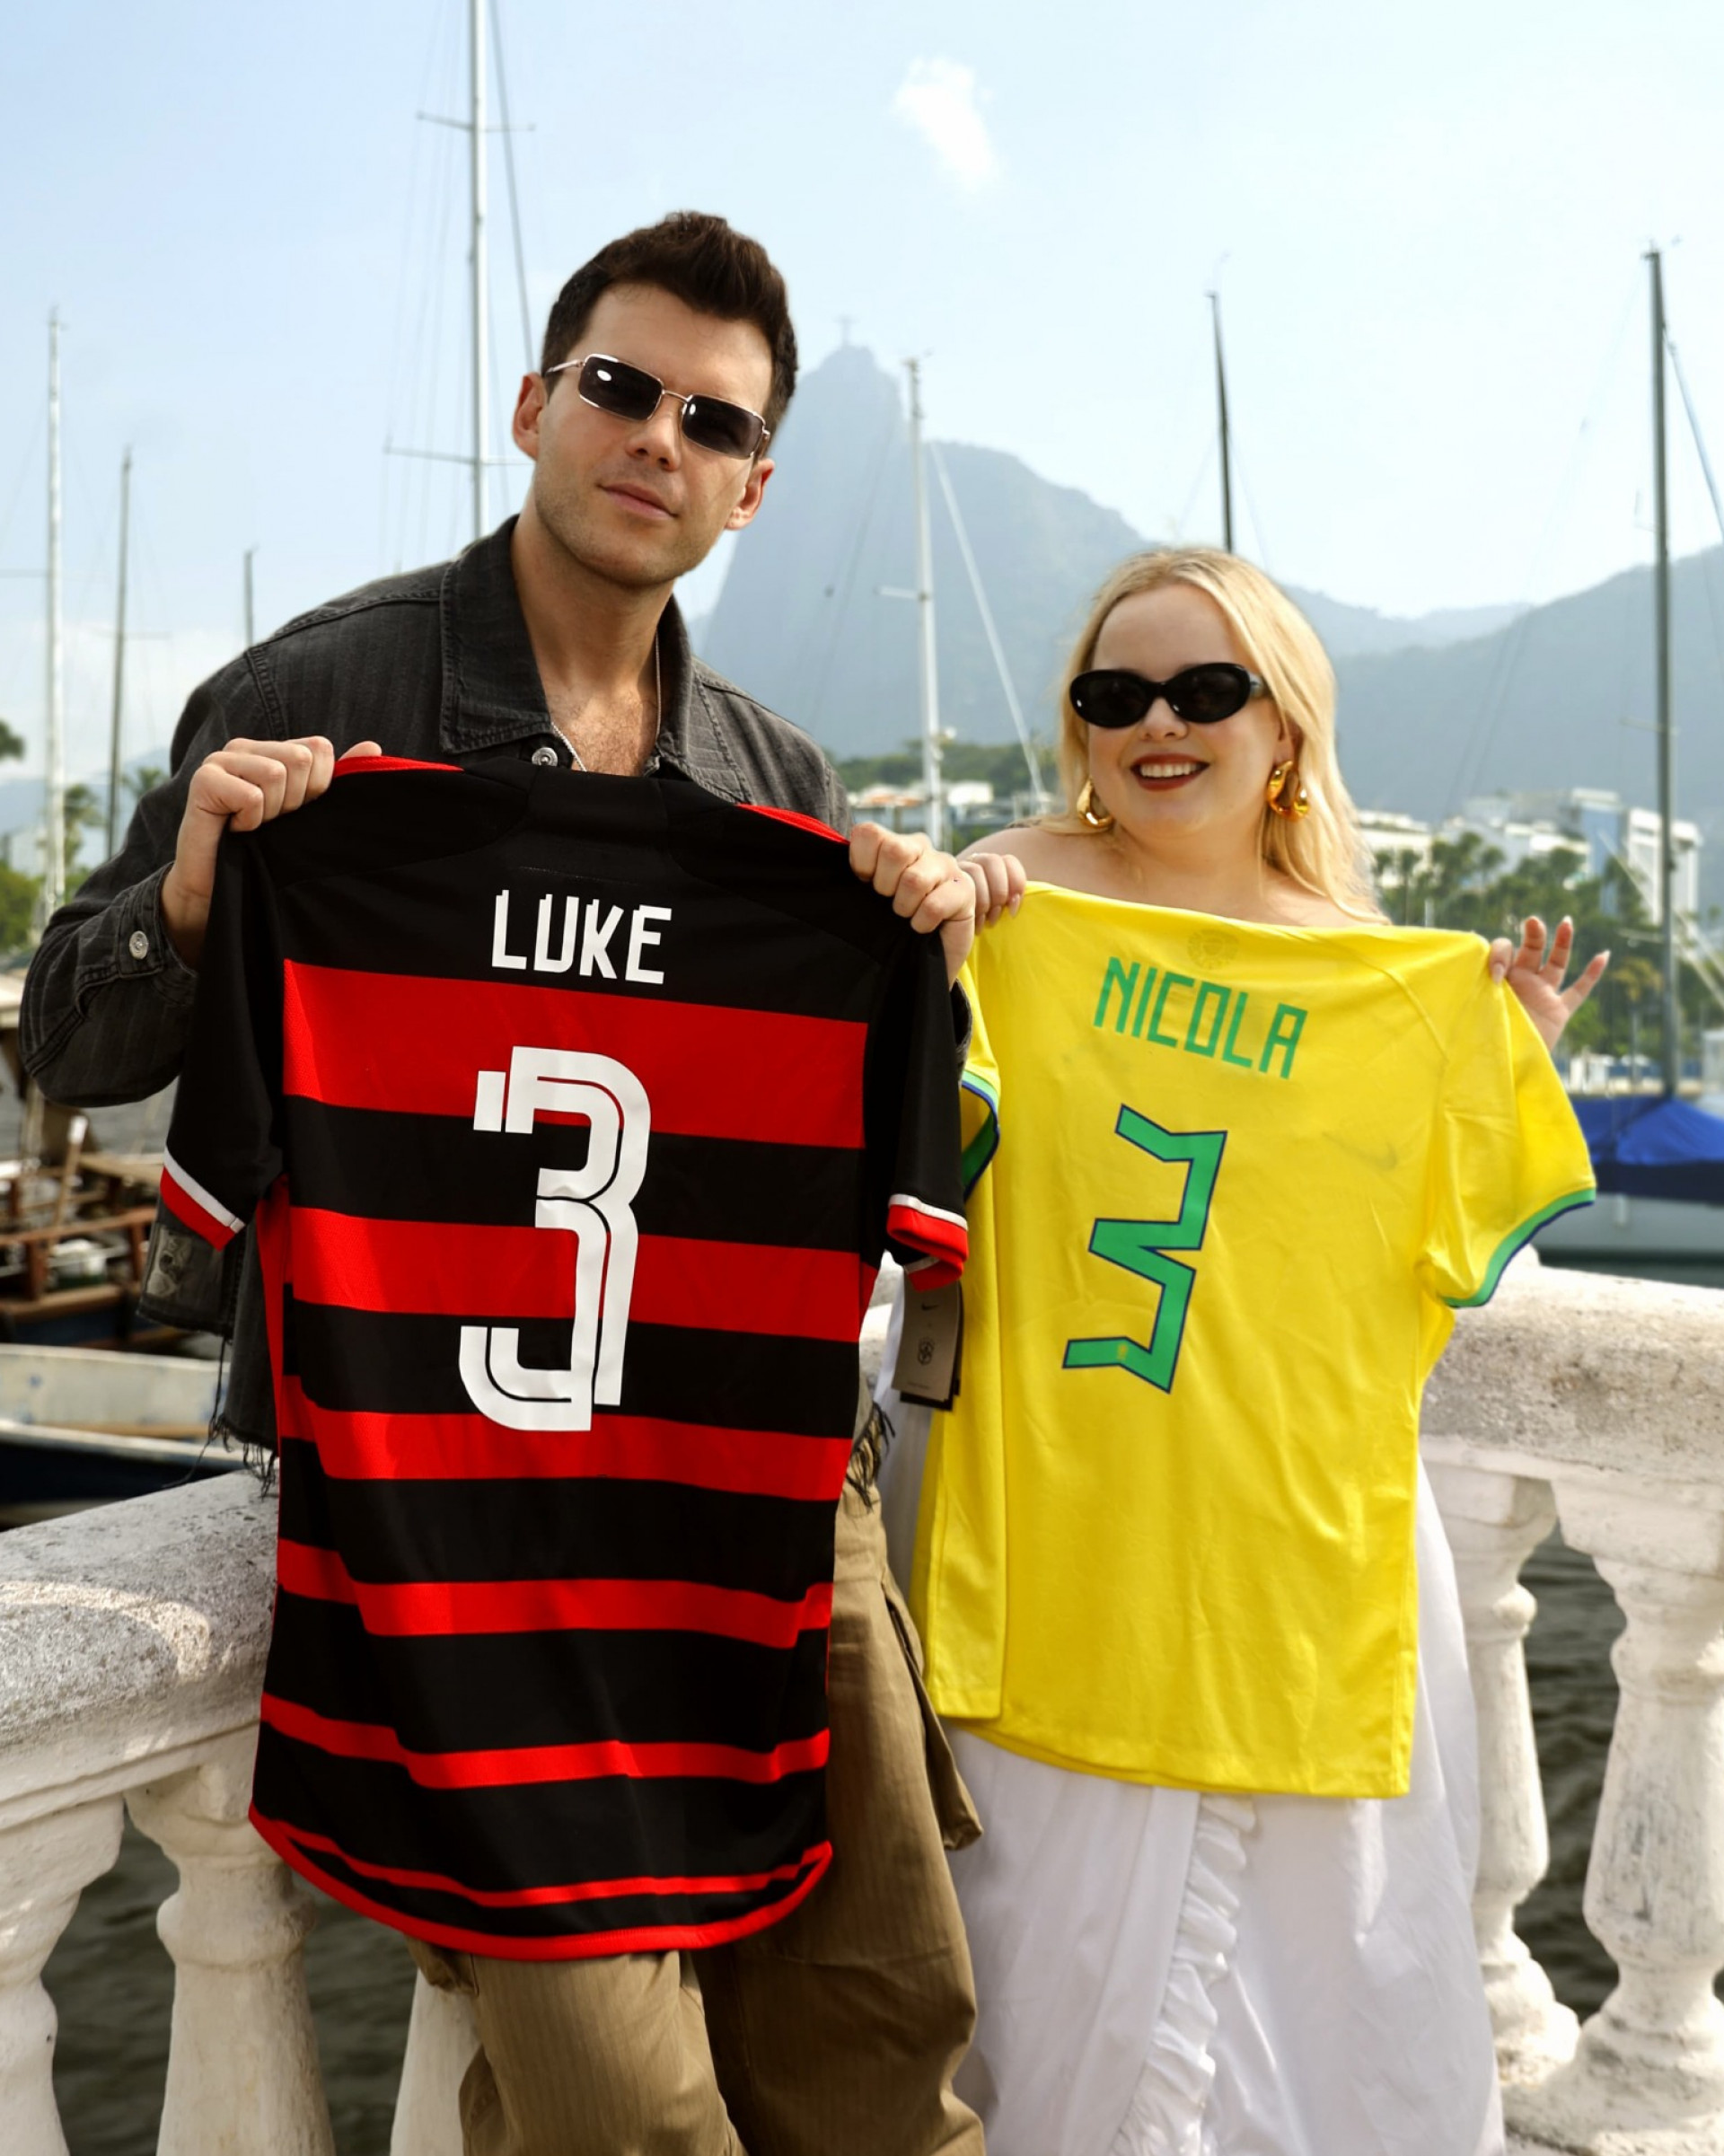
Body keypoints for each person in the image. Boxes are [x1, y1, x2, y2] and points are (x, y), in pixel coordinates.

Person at [23, 212, 985, 2156]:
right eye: (621, 389)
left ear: (754, 483)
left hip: (767, 1499)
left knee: (881, 2030)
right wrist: (208, 891)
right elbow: (65, 1032)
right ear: (536, 403)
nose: (658, 439)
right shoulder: (324, 699)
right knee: (618, 2107)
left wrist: (929, 942)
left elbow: (915, 1152)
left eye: (711, 421)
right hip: (469, 1528)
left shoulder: (778, 792)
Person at [888, 547, 1605, 2156]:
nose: (1161, 723)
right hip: (1063, 1546)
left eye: (1207, 690)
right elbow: (898, 1156)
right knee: (1041, 1994)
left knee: (1329, 2010)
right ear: (1075, 727)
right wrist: (927, 952)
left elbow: (1442, 1240)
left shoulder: (1377, 974)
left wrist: (1504, 1059)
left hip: (1293, 1569)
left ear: (1283, 726)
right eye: (1114, 693)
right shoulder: (1010, 897)